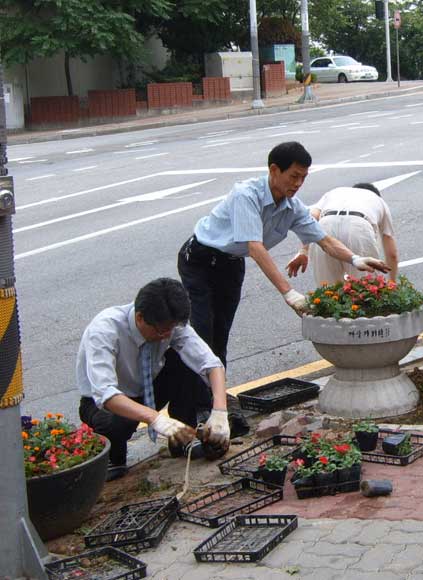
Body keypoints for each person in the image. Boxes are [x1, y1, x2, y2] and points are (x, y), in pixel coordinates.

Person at [178, 142, 389, 367]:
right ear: (274, 170)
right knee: (203, 330)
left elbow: (325, 241)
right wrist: (288, 293)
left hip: (231, 263)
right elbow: (255, 247)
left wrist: (355, 259)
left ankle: (215, 391)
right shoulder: (246, 195)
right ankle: (196, 398)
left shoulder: (292, 207)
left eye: (303, 178)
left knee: (221, 330)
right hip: (199, 259)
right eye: (294, 176)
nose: (298, 184)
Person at [77, 278, 231, 482]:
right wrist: (154, 418)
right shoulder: (105, 330)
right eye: (161, 330)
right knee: (114, 426)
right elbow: (105, 393)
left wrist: (220, 412)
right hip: (110, 403)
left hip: (149, 388)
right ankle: (114, 457)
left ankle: (182, 437)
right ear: (140, 318)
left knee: (186, 364)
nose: (166, 335)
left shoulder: (170, 323)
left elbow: (210, 364)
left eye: (171, 329)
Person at [286, 182, 399, 285]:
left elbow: (312, 218)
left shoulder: (335, 192)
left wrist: (304, 250)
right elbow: (392, 253)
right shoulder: (379, 201)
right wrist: (392, 283)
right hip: (359, 228)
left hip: (325, 226)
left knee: (328, 293)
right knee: (367, 290)